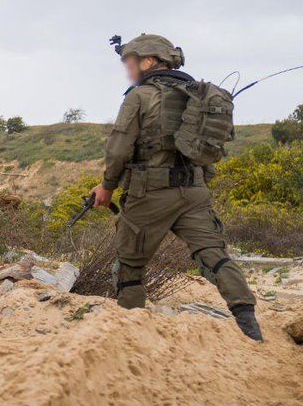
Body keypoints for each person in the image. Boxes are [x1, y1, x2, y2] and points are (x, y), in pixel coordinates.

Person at [90, 34, 263, 341]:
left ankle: (130, 335)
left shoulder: (139, 96)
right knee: (213, 254)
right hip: (194, 191)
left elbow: (118, 150)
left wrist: (106, 186)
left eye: (129, 63)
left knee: (129, 266)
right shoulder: (196, 93)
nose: (128, 70)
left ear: (148, 62)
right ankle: (249, 323)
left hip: (151, 193)